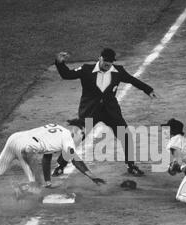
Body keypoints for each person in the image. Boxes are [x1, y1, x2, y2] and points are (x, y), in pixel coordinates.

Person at [53, 48, 158, 177]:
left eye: (110, 62)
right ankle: (61, 165)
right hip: (90, 111)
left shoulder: (118, 71)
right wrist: (59, 63)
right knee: (77, 138)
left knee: (125, 136)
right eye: (106, 61)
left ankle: (131, 165)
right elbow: (67, 75)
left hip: (110, 112)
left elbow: (132, 80)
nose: (108, 64)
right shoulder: (86, 69)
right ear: (100, 58)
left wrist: (148, 90)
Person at [0, 119, 105, 192]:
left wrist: (48, 182)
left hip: (14, 138)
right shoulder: (68, 139)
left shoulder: (58, 128)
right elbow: (75, 159)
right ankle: (19, 190)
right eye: (83, 134)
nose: (82, 137)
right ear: (76, 131)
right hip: (25, 148)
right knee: (34, 186)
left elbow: (47, 157)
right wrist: (91, 176)